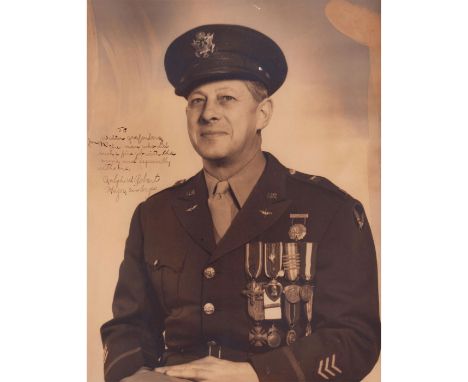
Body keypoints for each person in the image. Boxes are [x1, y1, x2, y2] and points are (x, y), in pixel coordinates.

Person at [101, 24, 380, 382]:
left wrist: (257, 375)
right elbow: (129, 324)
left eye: (226, 99)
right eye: (196, 101)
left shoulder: (331, 210)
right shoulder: (154, 215)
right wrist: (134, 375)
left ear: (263, 113)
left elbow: (357, 337)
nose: (208, 113)